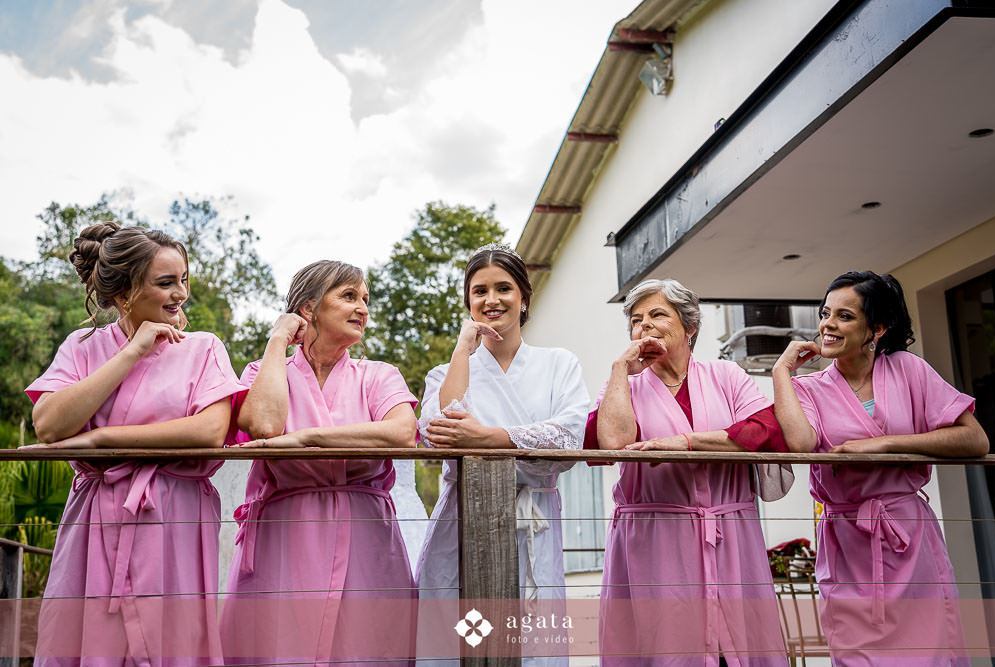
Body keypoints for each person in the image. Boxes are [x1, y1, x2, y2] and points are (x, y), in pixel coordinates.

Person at [23, 221, 244, 665]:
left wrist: (102, 438)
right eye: (166, 283)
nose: (180, 293)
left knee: (174, 640)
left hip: (176, 514)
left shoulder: (204, 347)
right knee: (91, 637)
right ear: (124, 295)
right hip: (98, 515)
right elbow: (48, 423)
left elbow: (208, 431)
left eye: (183, 279)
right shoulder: (83, 347)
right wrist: (132, 352)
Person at [772, 271, 988, 665]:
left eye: (845, 316)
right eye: (825, 313)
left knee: (931, 652)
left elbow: (974, 439)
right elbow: (801, 443)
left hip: (909, 536)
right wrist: (781, 372)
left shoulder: (909, 369)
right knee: (858, 655)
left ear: (877, 328)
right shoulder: (808, 388)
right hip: (847, 542)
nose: (828, 325)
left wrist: (885, 444)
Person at [221, 260, 418, 665]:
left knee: (367, 647)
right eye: (349, 296)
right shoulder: (263, 373)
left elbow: (401, 432)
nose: (363, 308)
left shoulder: (379, 376)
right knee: (279, 647)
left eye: (365, 298)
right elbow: (263, 425)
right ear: (309, 309)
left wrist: (307, 439)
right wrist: (278, 339)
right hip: (284, 532)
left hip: (366, 532)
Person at [589, 278, 789, 666]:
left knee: (739, 649)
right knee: (663, 648)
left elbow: (767, 431)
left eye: (657, 314)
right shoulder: (621, 385)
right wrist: (619, 369)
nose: (643, 324)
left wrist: (686, 443)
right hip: (654, 542)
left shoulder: (726, 376)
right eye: (635, 319)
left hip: (730, 535)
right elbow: (612, 443)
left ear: (689, 327)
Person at [415, 243, 590, 666]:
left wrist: (488, 437)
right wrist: (462, 349)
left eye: (503, 288)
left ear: (524, 297)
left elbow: (569, 436)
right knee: (461, 640)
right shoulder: (445, 373)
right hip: (461, 520)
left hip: (534, 521)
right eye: (479, 291)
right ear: (468, 301)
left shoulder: (559, 364)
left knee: (532, 642)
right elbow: (438, 435)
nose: (491, 300)